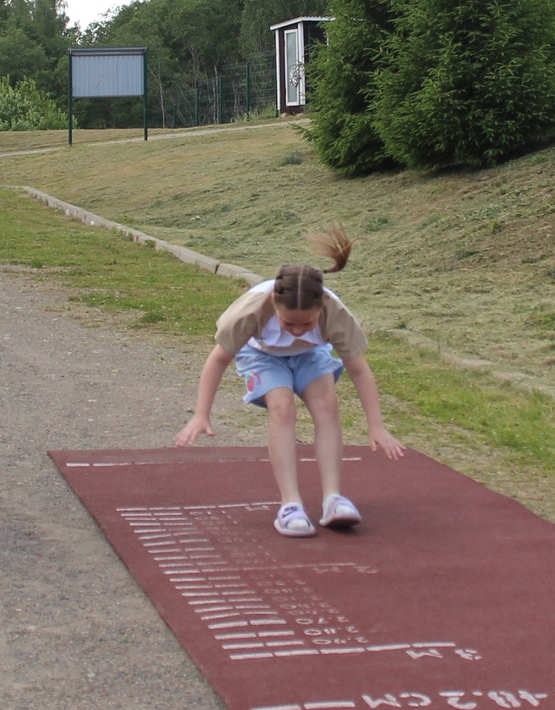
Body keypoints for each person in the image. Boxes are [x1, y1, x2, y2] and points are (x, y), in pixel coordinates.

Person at [172, 228, 405, 537]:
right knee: (282, 408)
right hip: (263, 357)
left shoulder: (336, 314)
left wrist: (376, 425)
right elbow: (218, 360)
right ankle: (290, 505)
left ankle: (333, 498)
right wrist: (202, 414)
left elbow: (359, 369)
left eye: (306, 323)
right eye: (288, 323)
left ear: (321, 305)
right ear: (273, 303)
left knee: (327, 403)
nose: (297, 331)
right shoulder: (249, 312)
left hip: (311, 355)